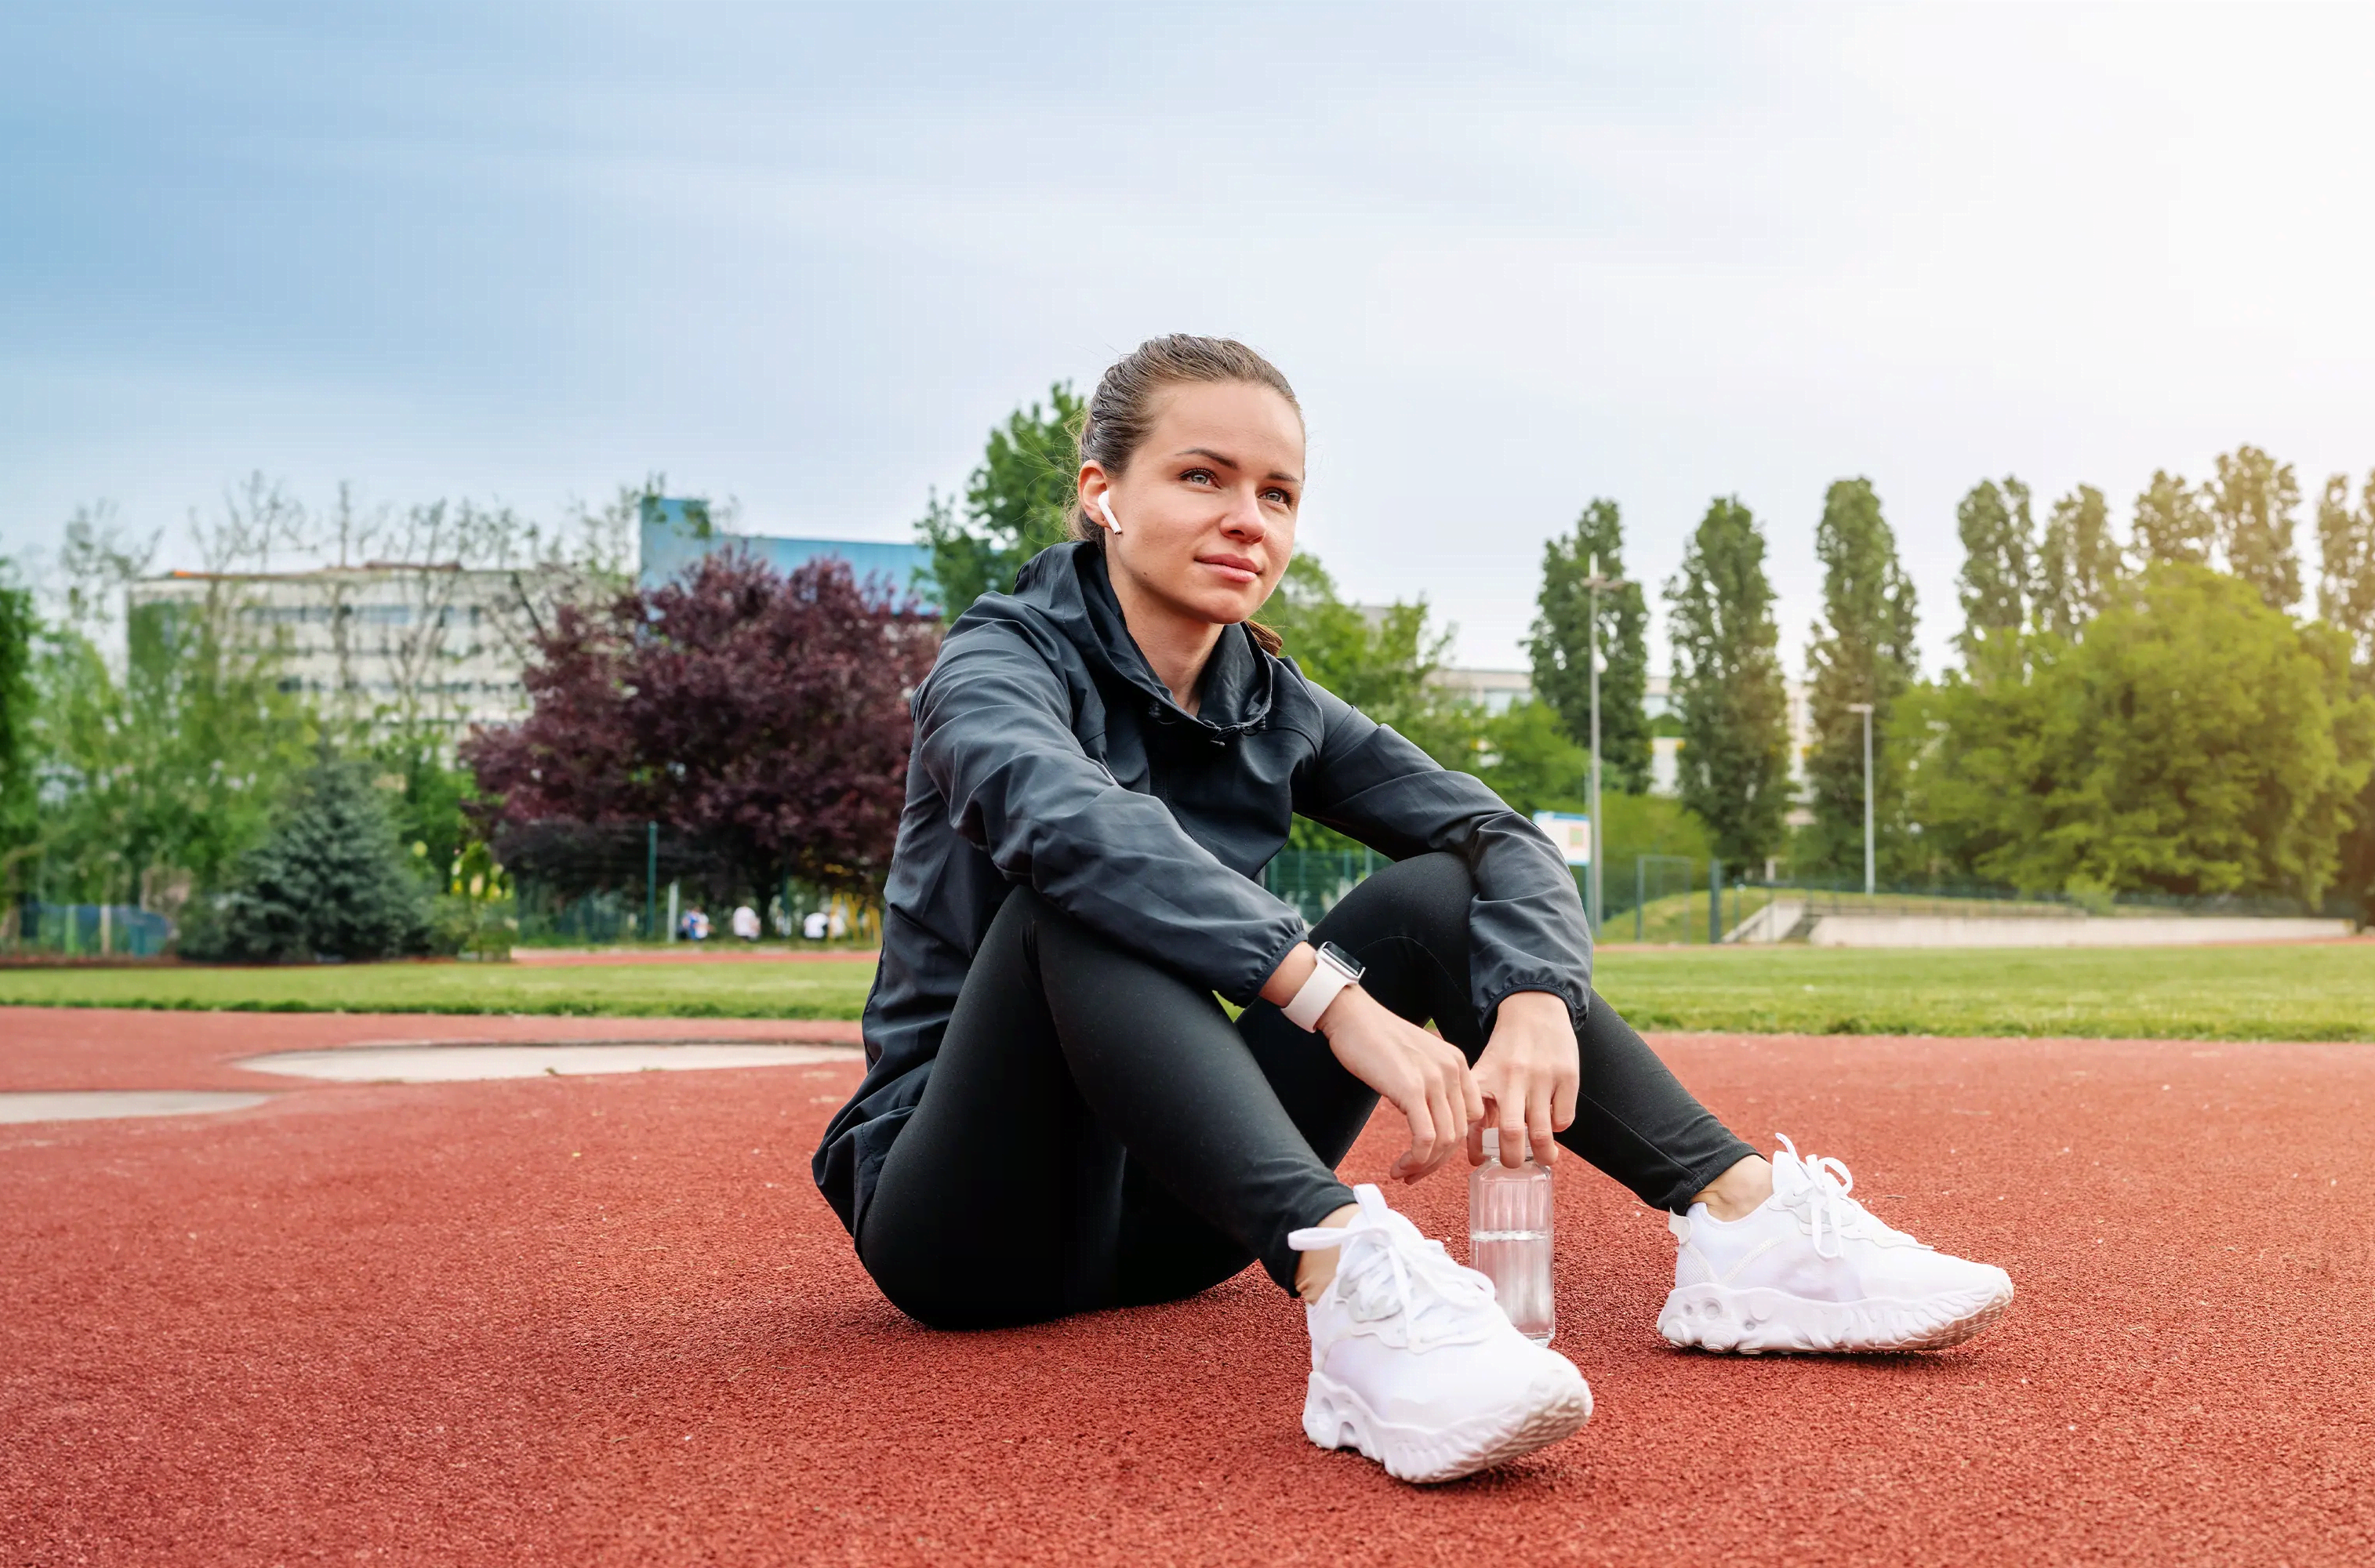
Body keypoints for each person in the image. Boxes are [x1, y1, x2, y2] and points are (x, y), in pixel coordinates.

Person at [812, 335, 2012, 1485]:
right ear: (1103, 493)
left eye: (1277, 494)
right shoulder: (996, 666)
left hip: (1178, 1225)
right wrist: (1331, 1002)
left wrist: (1536, 992)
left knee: (1440, 893)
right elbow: (1072, 829)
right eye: (1202, 477)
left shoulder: (1272, 701)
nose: (1248, 518)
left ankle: (1742, 1223)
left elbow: (1498, 837)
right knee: (1071, 906)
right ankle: (1354, 1285)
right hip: (965, 1221)